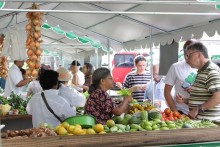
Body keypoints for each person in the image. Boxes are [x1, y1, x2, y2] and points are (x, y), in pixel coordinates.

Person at [177, 42, 220, 121]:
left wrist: (197, 109)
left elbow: (218, 97)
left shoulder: (211, 71)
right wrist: (186, 100)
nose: (186, 60)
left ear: (198, 54)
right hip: (202, 123)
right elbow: (203, 97)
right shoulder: (201, 71)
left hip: (210, 124)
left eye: (188, 55)